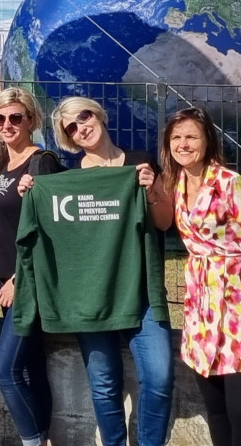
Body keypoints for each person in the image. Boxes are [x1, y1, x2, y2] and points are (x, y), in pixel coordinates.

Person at [43, 97, 174, 446]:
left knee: (159, 377)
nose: (81, 127)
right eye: (71, 127)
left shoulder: (141, 163)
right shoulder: (67, 180)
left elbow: (163, 222)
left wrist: (152, 190)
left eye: (83, 117)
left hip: (142, 289)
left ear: (98, 114)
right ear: (69, 139)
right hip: (93, 292)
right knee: (103, 385)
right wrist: (33, 194)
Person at [160, 107, 241, 446]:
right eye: (177, 137)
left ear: (207, 140)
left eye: (191, 136)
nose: (183, 144)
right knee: (215, 410)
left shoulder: (228, 183)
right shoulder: (174, 184)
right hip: (200, 311)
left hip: (240, 312)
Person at [0, 88, 61, 446]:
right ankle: (43, 436)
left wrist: (17, 278)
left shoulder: (41, 162)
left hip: (27, 282)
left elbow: (49, 230)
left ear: (31, 120)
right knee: (30, 368)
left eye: (16, 117)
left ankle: (33, 441)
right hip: (6, 280)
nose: (7, 125)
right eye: (0, 118)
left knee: (5, 371)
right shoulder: (0, 164)